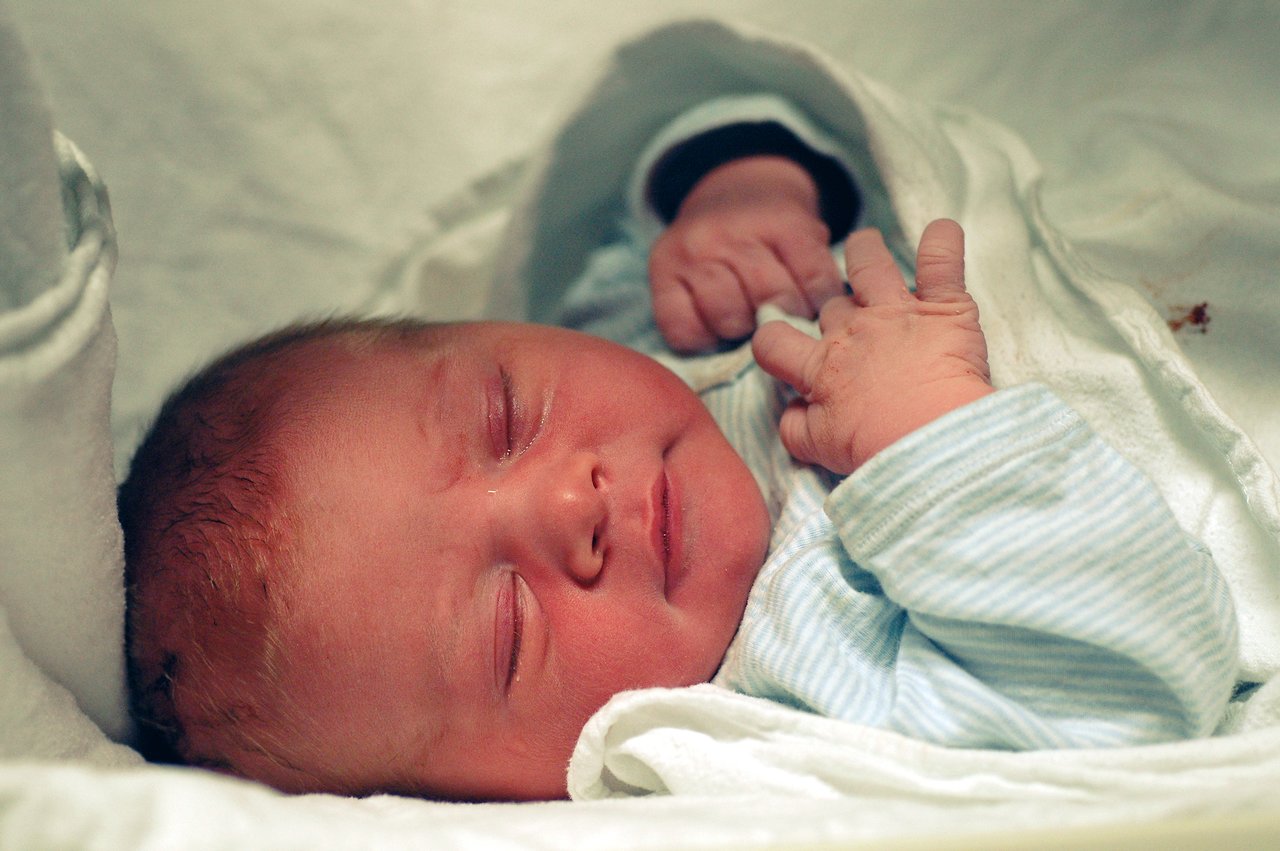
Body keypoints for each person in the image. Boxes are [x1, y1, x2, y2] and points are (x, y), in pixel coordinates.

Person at [119, 95, 1238, 803]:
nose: (568, 505)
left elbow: (709, 122)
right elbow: (1120, 691)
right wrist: (931, 436)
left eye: (506, 417)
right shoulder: (788, 687)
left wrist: (737, 193)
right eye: (508, 628)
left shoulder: (653, 322)